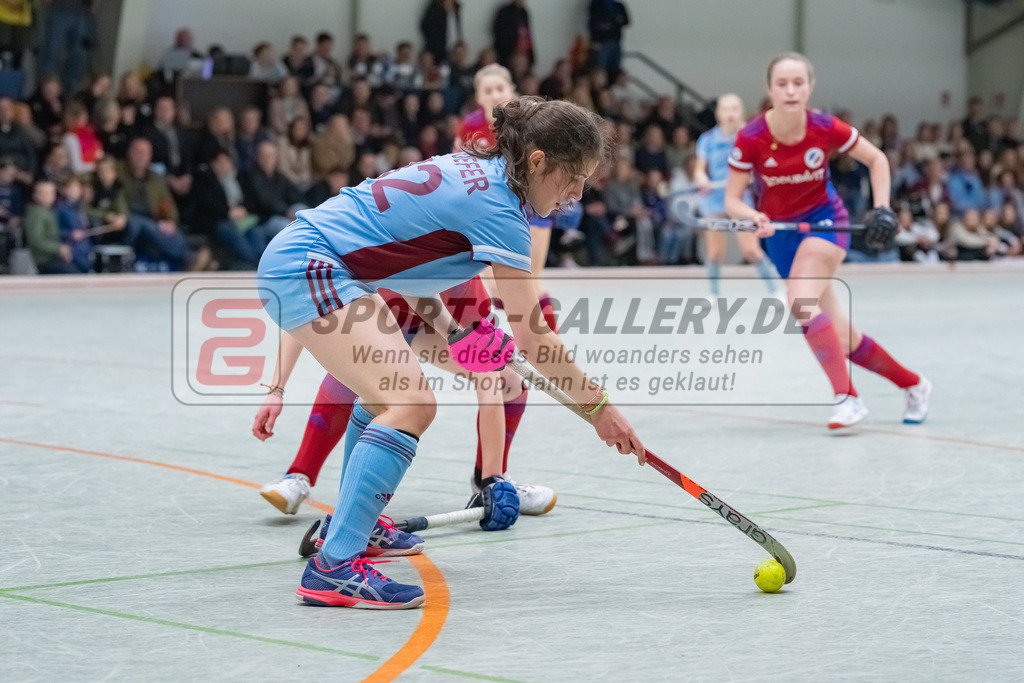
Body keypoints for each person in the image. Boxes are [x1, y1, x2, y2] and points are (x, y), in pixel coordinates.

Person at [257, 97, 644, 609]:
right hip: (309, 266)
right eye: (574, 177)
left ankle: (357, 528)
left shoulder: (472, 166)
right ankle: (333, 566)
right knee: (412, 403)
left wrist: (454, 331)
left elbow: (406, 262)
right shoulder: (505, 216)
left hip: (310, 259)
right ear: (538, 161)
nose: (577, 194)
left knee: (382, 398)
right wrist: (599, 410)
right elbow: (535, 340)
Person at [725, 52, 931, 430]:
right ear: (769, 89)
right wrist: (752, 217)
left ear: (810, 87)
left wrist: (882, 208)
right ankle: (914, 385)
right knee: (843, 337)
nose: (791, 91)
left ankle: (847, 398)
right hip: (782, 239)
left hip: (825, 223)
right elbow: (732, 200)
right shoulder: (751, 137)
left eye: (798, 83)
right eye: (782, 84)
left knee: (800, 302)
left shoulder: (825, 127)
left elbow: (878, 160)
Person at [253, 277, 556, 521]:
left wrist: (493, 480)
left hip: (428, 327)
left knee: (507, 377)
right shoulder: (373, 252)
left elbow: (487, 375)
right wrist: (276, 390)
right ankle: (298, 476)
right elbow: (302, 319)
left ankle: (489, 480)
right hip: (373, 322)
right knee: (350, 374)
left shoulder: (465, 281)